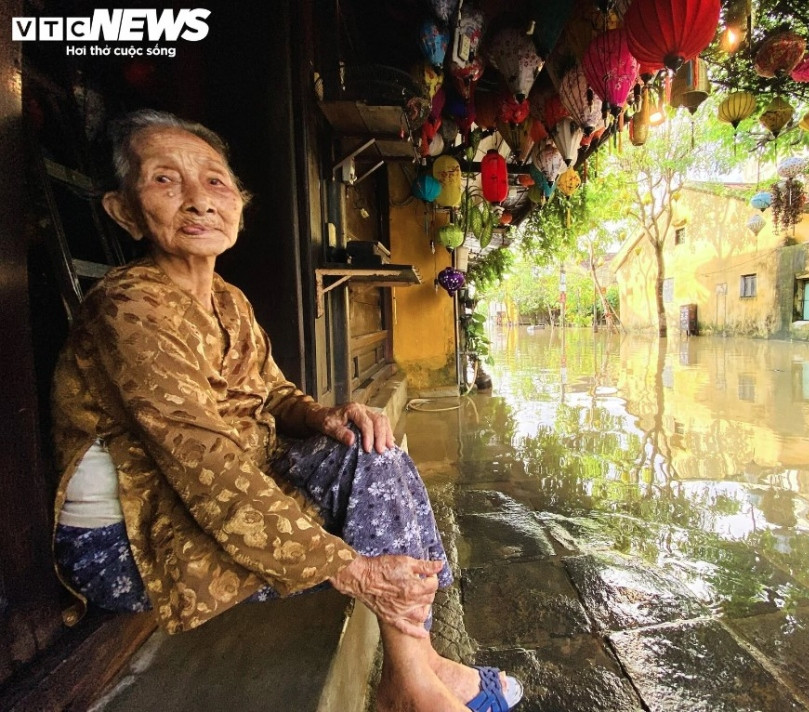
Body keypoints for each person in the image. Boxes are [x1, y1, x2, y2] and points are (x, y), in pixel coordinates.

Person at [50, 109, 522, 712]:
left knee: (372, 452)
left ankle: (415, 671)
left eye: (215, 181)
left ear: (239, 204)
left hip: (212, 494)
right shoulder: (128, 308)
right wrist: (352, 569)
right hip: (132, 536)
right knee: (367, 511)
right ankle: (416, 678)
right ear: (124, 210)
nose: (199, 201)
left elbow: (273, 393)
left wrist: (326, 417)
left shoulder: (227, 299)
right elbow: (206, 467)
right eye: (165, 180)